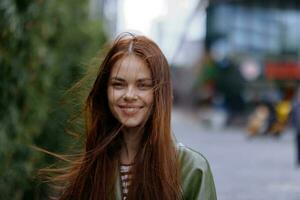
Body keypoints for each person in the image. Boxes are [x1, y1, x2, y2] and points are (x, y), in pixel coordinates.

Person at [49, 33, 216, 200]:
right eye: (118, 84)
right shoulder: (89, 168)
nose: (129, 95)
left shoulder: (193, 169)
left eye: (142, 85)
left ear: (160, 94)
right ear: (105, 91)